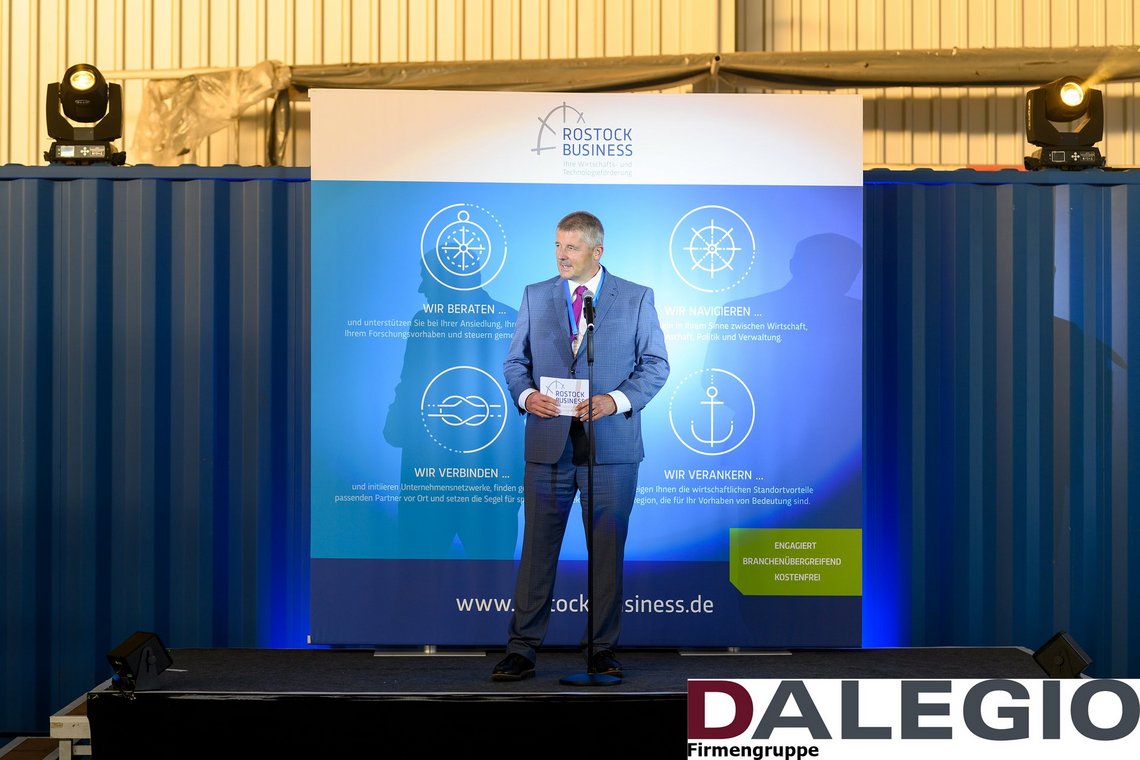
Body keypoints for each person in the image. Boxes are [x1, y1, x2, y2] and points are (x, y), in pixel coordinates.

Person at [491, 210, 670, 681]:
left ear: (597, 250)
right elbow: (515, 363)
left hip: (610, 450)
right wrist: (527, 397)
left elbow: (655, 364)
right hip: (548, 446)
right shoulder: (535, 295)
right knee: (536, 552)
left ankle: (601, 649)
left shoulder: (636, 297)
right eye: (557, 246)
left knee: (606, 555)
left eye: (571, 247)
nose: (561, 255)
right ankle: (522, 648)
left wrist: (615, 401)